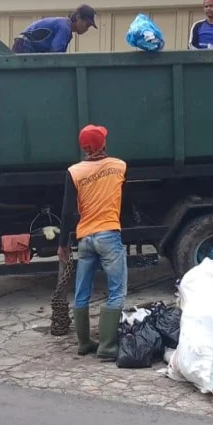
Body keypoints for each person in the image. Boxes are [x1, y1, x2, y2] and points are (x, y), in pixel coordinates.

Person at [59, 124, 128, 359]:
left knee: (81, 292)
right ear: (104, 144)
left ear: (83, 148)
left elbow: (68, 211)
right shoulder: (119, 166)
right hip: (109, 234)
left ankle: (85, 343)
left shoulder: (74, 172)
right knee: (116, 291)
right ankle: (107, 347)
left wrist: (62, 244)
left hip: (85, 237)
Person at [13, 5, 97, 53]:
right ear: (78, 17)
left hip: (24, 43)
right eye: (87, 25)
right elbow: (55, 53)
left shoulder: (63, 24)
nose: (86, 29)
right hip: (25, 45)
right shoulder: (65, 27)